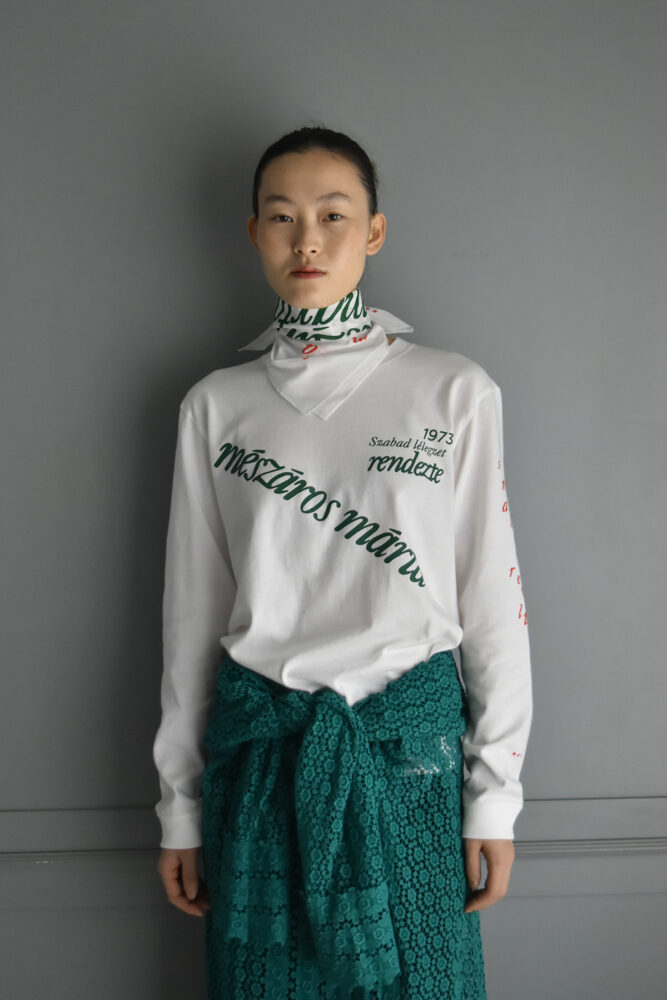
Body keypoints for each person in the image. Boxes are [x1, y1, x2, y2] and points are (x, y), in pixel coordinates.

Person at [153, 124, 533, 1000]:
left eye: (333, 215)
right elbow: (189, 621)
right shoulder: (215, 408)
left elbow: (492, 601)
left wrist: (494, 795)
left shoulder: (452, 391)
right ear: (254, 233)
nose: (307, 240)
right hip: (261, 774)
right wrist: (179, 805)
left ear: (374, 232)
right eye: (282, 217)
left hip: (412, 771)